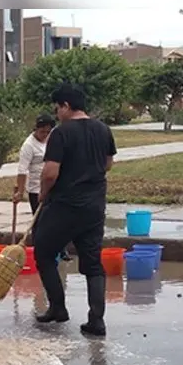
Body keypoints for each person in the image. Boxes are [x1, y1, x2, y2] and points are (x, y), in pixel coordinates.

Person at [34, 84, 117, 337]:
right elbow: (108, 164)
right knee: (93, 263)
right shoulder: (103, 129)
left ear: (66, 106)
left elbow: (50, 173)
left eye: (58, 108)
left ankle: (58, 308)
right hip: (94, 206)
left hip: (65, 205)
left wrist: (43, 194)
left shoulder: (61, 133)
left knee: (44, 252)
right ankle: (96, 321)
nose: (57, 113)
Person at [13, 113, 70, 261]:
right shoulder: (29, 145)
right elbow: (22, 170)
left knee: (58, 220)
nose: (44, 135)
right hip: (36, 190)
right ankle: (40, 252)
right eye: (42, 131)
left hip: (54, 186)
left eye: (47, 132)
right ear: (35, 129)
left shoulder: (52, 139)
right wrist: (20, 191)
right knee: (40, 223)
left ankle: (61, 250)